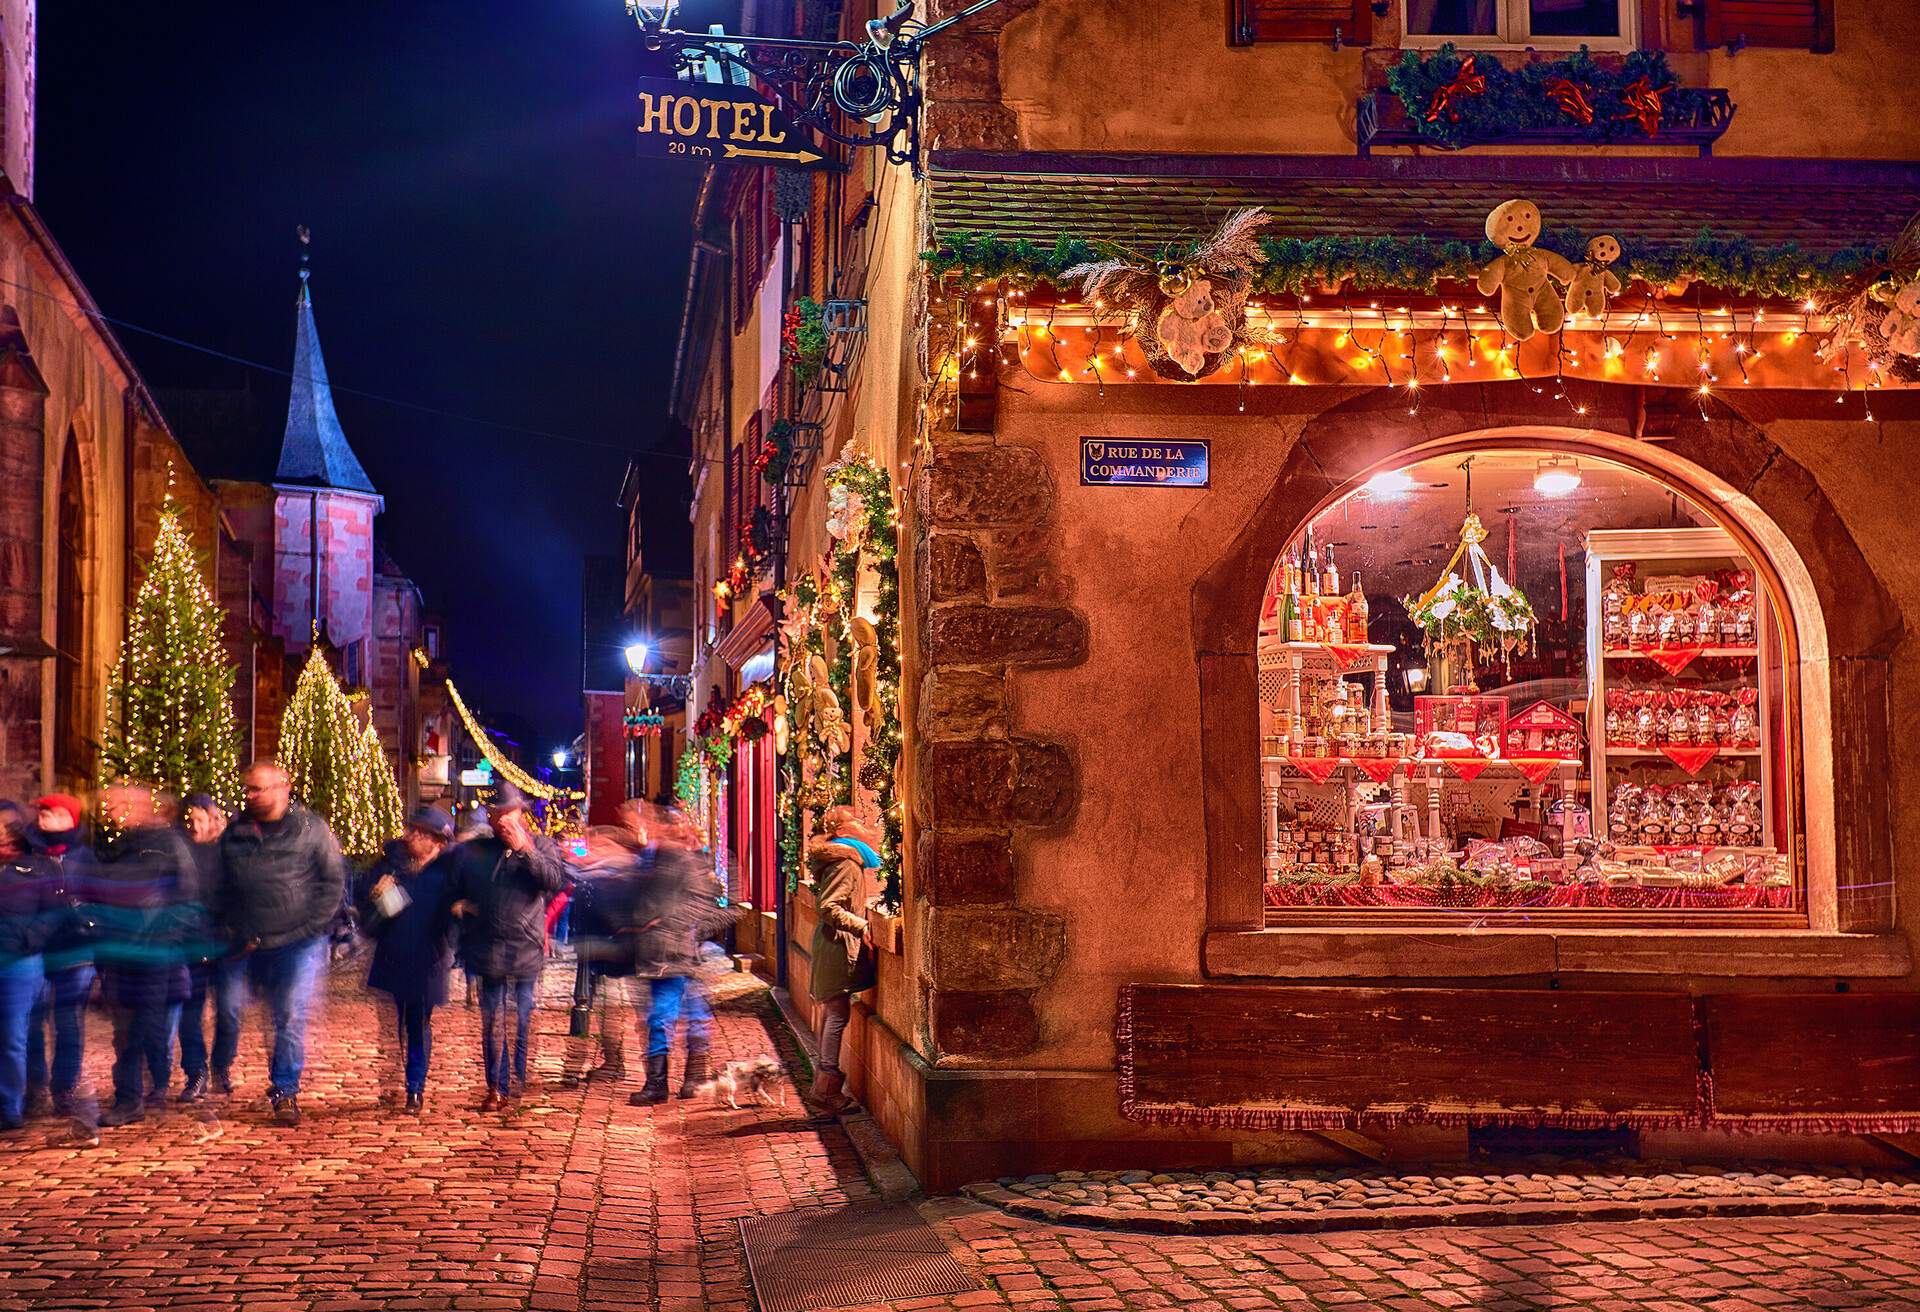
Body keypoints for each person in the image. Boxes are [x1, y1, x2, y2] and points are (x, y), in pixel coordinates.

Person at [216, 760, 346, 1126]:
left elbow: (332, 882)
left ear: (283, 787)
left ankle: (285, 1090)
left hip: (298, 941)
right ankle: (217, 1069)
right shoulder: (236, 833)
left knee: (288, 1014)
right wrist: (228, 926)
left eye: (260, 788)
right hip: (247, 939)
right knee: (230, 1008)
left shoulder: (311, 829)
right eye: (249, 790)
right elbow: (222, 885)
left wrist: (313, 926)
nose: (253, 796)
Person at [446, 783, 566, 1110]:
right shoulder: (478, 851)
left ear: (520, 814)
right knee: (493, 1021)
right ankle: (496, 1086)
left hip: (524, 948)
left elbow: (554, 880)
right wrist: (461, 911)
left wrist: (526, 849)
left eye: (509, 813)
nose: (503, 820)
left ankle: (515, 1077)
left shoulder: (541, 845)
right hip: (488, 948)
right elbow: (454, 886)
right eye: (497, 813)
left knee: (520, 1018)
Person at [91, 785, 196, 1127]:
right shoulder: (119, 846)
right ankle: (129, 1098)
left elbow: (186, 896)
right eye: (109, 805)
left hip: (154, 953)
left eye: (121, 804)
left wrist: (164, 938)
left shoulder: (167, 845)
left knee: (145, 1028)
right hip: (121, 952)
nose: (113, 811)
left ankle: (153, 1086)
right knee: (125, 1031)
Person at [356, 805, 457, 1113]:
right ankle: (406, 1079)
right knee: (401, 1021)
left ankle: (415, 1088)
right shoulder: (391, 866)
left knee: (419, 1022)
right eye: (412, 829)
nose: (412, 836)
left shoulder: (448, 873)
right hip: (396, 954)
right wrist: (378, 895)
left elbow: (456, 918)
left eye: (421, 833)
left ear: (437, 842)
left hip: (430, 958)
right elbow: (371, 920)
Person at [628, 803, 729, 1107]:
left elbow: (709, 905)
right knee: (680, 1014)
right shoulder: (655, 859)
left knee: (669, 1015)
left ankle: (670, 1082)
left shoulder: (686, 862)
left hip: (675, 953)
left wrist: (677, 927)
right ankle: (679, 1080)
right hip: (665, 952)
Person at [22, 793, 97, 1119]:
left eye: (52, 814)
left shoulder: (86, 858)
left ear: (70, 819)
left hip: (76, 951)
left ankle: (64, 1086)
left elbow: (99, 897)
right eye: (42, 814)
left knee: (68, 1023)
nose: (44, 820)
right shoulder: (30, 856)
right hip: (36, 951)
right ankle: (34, 1086)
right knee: (33, 1022)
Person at [805, 806, 881, 1117]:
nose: (863, 825)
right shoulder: (846, 862)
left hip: (831, 946)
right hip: (836, 948)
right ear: (842, 830)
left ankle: (824, 1087)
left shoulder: (844, 858)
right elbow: (829, 907)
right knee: (836, 1015)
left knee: (833, 1015)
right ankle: (826, 1091)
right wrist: (862, 925)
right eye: (856, 820)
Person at [0, 802, 61, 1132]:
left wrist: (28, 939)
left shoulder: (36, 867)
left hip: (20, 963)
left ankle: (10, 1105)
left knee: (13, 1035)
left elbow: (53, 913)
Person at [175, 793, 239, 1102]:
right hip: (190, 943)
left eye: (201, 819)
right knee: (190, 1011)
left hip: (227, 945)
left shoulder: (231, 851)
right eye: (191, 819)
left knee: (229, 1011)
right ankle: (195, 1071)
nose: (195, 826)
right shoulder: (180, 851)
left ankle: (221, 1064)